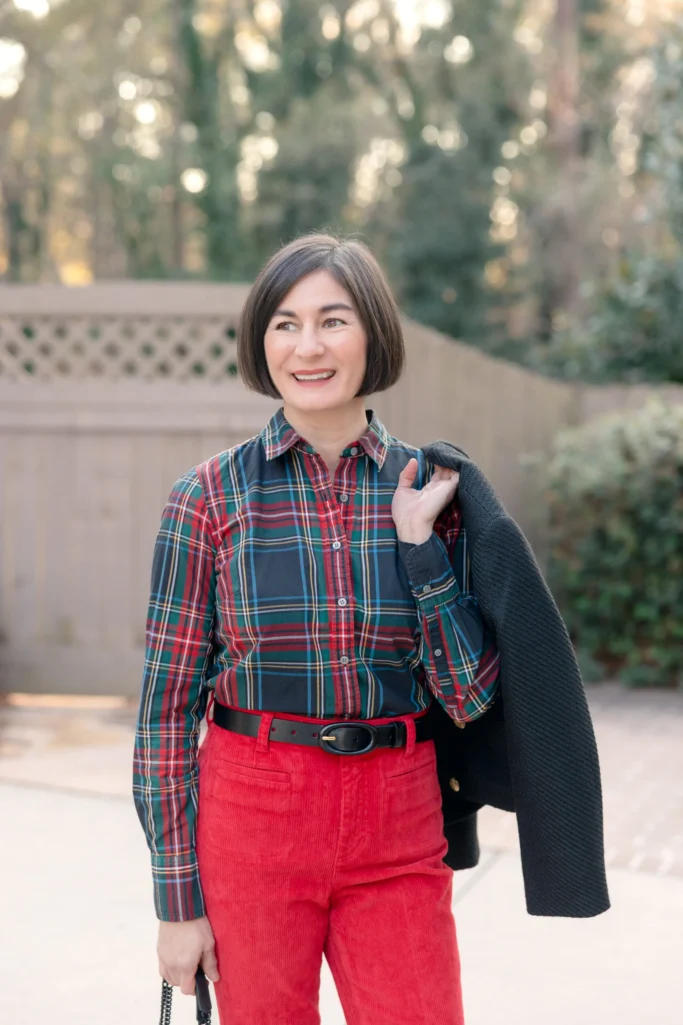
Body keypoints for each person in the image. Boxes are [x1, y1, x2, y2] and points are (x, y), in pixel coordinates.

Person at [133, 233, 501, 1025]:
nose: (307, 346)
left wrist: (421, 555)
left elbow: (469, 696)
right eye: (283, 324)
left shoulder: (433, 490)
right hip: (252, 814)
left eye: (332, 321)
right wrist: (176, 902)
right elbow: (164, 713)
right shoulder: (207, 499)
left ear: (371, 332)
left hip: (398, 815)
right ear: (259, 342)